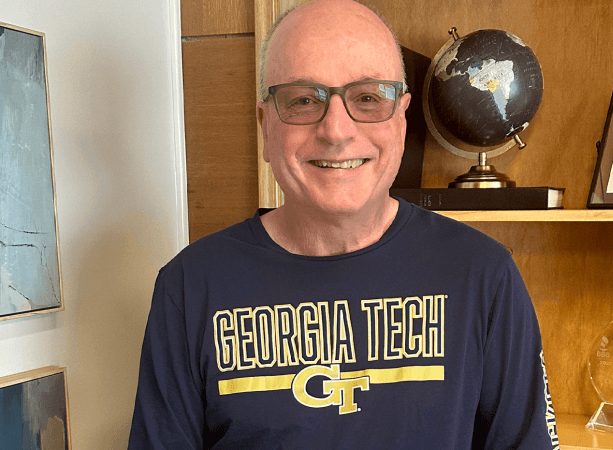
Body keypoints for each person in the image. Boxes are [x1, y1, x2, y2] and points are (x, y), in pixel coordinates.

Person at [128, 0, 559, 448]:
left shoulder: (485, 276)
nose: (336, 130)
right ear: (265, 128)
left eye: (369, 98)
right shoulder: (189, 287)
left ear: (402, 119)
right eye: (302, 100)